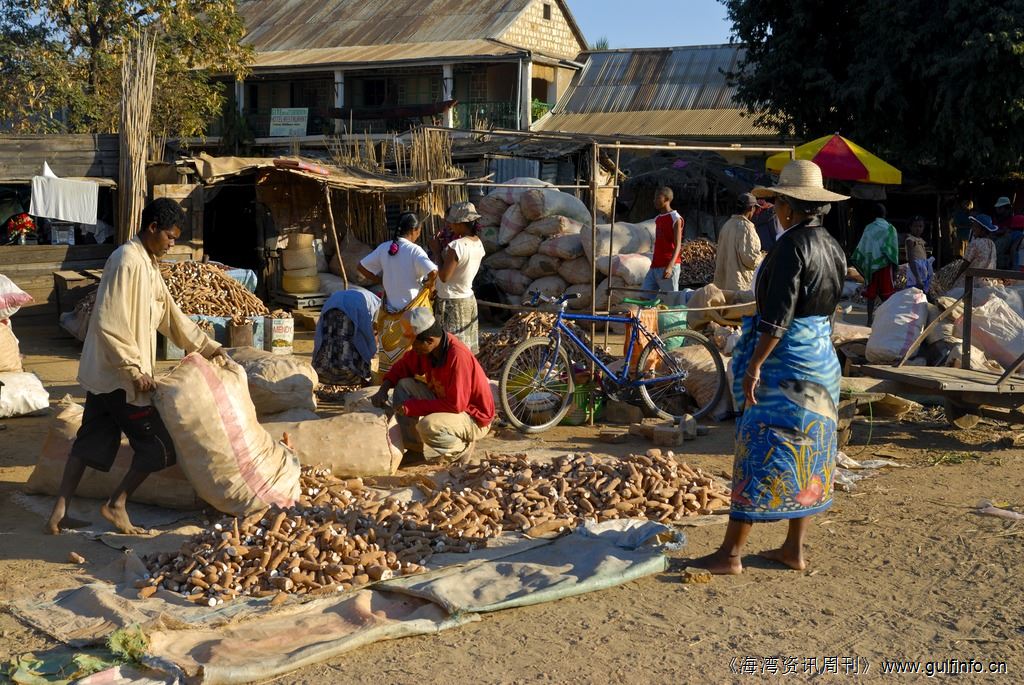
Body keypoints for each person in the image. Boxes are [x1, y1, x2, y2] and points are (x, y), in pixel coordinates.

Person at [693, 160, 847, 575]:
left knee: (759, 448)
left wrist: (754, 364)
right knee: (809, 452)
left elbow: (777, 318)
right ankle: (793, 550)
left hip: (786, 366)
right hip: (821, 361)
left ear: (790, 207)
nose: (776, 208)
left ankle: (730, 554)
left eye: (778, 201)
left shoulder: (789, 249)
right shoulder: (832, 246)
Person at [45, 199, 226, 536]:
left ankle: (58, 512)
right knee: (159, 449)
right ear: (152, 228)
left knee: (88, 442)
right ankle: (116, 504)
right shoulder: (126, 261)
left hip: (106, 375)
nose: (172, 244)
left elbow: (171, 316)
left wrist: (209, 347)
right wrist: (134, 370)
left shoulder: (149, 264)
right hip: (120, 378)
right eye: (170, 237)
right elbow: (109, 322)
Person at [370, 308, 494, 464]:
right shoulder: (428, 350)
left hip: (473, 416)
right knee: (404, 385)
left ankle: (461, 448)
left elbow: (456, 405)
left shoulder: (457, 357)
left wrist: (412, 407)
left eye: (414, 345)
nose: (412, 349)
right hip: (446, 399)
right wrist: (383, 389)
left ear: (428, 340)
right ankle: (415, 450)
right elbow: (402, 367)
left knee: (427, 426)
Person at [358, 213, 438, 379]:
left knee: (390, 357)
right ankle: (410, 386)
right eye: (419, 231)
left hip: (388, 315)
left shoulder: (384, 248)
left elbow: (361, 266)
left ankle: (388, 383)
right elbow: (433, 271)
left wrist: (381, 279)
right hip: (410, 317)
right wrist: (430, 286)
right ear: (415, 230)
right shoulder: (415, 250)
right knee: (412, 357)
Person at [436, 201, 486, 353]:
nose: (450, 225)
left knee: (451, 349)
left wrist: (437, 251)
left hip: (452, 302)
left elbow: (444, 276)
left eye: (452, 222)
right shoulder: (478, 243)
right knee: (465, 348)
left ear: (460, 223)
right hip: (467, 299)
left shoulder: (456, 246)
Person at [312, 286, 381, 386]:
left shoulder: (368, 297)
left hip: (331, 304)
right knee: (349, 344)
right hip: (350, 308)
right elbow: (369, 332)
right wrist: (372, 351)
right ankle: (349, 376)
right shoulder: (379, 306)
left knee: (329, 340)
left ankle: (325, 374)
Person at [851, 203, 898, 325]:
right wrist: (895, 268)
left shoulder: (869, 228)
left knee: (871, 295)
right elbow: (893, 250)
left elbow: (864, 246)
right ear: (885, 214)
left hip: (871, 266)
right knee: (887, 295)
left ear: (873, 215)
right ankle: (887, 319)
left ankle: (869, 319)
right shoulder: (890, 229)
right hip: (885, 266)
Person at [713, 192, 762, 292]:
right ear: (751, 208)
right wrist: (762, 259)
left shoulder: (727, 225)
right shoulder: (746, 228)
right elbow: (751, 259)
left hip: (722, 285)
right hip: (738, 286)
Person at [641, 187, 684, 296]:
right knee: (644, 297)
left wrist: (670, 266)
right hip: (655, 266)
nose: (654, 200)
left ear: (666, 199)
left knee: (671, 300)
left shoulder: (675, 218)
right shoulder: (658, 219)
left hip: (668, 265)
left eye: (657, 197)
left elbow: (678, 244)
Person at [953, 214, 1000, 289]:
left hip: (973, 280)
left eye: (975, 227)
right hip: (987, 281)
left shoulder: (975, 243)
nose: (973, 229)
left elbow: (965, 264)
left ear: (983, 230)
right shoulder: (992, 244)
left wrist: (955, 278)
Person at [904, 216, 933, 292]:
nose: (918, 229)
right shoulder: (910, 240)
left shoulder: (921, 240)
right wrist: (917, 277)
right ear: (910, 227)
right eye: (915, 226)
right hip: (915, 270)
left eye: (920, 226)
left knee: (923, 291)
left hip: (923, 269)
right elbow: (911, 259)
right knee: (915, 291)